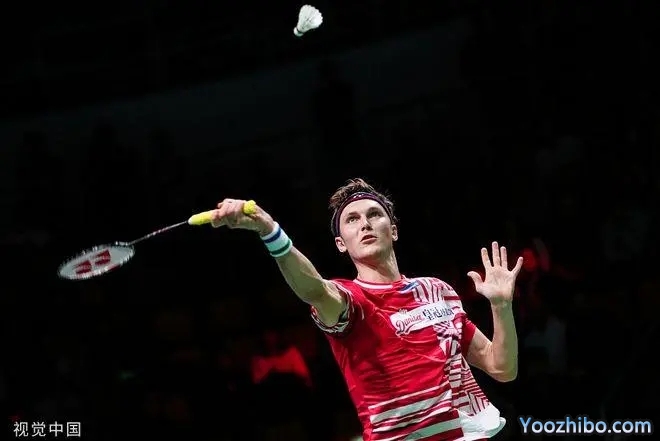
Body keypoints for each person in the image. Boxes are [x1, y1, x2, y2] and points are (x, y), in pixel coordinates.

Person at [210, 178, 522, 441]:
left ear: (393, 230)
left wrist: (501, 306)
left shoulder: (437, 290)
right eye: (352, 219)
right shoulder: (351, 300)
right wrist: (270, 230)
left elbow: (502, 368)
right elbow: (314, 290)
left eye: (374, 214)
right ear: (341, 243)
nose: (365, 224)